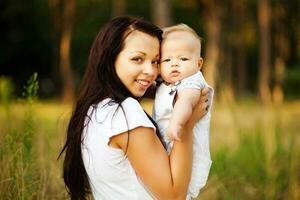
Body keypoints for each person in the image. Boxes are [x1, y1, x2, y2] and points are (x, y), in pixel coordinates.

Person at [59, 16, 209, 200]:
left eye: (155, 61)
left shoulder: (95, 109)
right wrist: (187, 124)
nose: (150, 71)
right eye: (138, 59)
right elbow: (174, 196)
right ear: (110, 58)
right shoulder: (124, 114)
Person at [153, 24, 214, 199]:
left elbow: (186, 102)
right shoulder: (166, 83)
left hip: (187, 150)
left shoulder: (192, 82)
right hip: (171, 147)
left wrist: (177, 124)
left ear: (199, 63)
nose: (174, 64)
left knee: (181, 190)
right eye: (167, 60)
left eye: (183, 59)